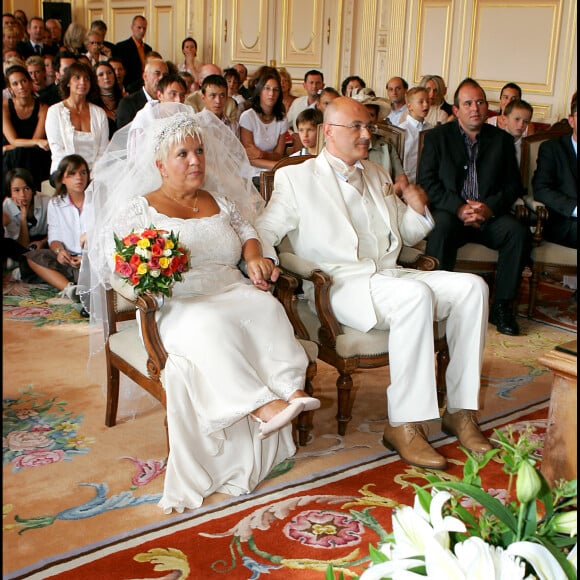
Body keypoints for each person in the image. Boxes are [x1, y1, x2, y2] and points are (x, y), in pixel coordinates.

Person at [85, 107, 319, 513]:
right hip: (177, 301)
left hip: (227, 287)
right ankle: (262, 405)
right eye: (183, 155)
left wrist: (252, 259)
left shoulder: (220, 200)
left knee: (264, 307)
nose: (195, 161)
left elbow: (249, 233)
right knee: (211, 322)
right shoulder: (138, 210)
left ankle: (291, 389)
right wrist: (145, 279)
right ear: (159, 165)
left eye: (199, 152)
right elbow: (117, 265)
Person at [256, 96, 491, 470]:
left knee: (473, 288)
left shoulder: (378, 174)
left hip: (389, 274)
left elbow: (403, 236)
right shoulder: (295, 178)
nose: (368, 134)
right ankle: (405, 425)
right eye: (358, 127)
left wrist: (416, 208)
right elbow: (265, 230)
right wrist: (261, 259)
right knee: (415, 295)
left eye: (369, 127)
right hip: (343, 285)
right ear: (328, 132)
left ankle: (461, 411)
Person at [417, 77, 530, 336]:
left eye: (480, 102)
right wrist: (458, 208)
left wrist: (488, 208)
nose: (475, 108)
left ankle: (502, 307)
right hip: (452, 214)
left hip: (489, 215)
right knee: (441, 228)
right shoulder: (437, 138)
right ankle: (435, 303)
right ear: (456, 110)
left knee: (517, 232)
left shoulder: (500, 140)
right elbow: (427, 182)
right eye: (468, 103)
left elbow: (513, 186)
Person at [25, 154, 90, 303]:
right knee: (33, 257)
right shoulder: (55, 203)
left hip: (91, 259)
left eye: (83, 172)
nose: (79, 177)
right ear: (62, 179)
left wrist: (86, 258)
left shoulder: (96, 199)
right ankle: (70, 289)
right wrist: (59, 251)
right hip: (68, 259)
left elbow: (104, 235)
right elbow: (54, 238)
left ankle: (83, 287)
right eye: (72, 174)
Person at [45, 61, 109, 178]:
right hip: (63, 170)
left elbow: (102, 150)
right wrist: (77, 175)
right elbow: (58, 150)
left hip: (95, 172)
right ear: (68, 82)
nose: (82, 82)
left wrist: (91, 175)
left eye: (86, 79)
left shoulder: (99, 113)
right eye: (77, 78)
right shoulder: (54, 111)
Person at [531, 95, 577, 249]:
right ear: (571, 120)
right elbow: (541, 189)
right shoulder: (552, 148)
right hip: (565, 223)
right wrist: (574, 209)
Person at [2, 65, 51, 190]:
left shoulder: (43, 108)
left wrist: (8, 147)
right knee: (16, 153)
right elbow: (13, 139)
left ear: (30, 82)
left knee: (27, 153)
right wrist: (35, 142)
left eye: (23, 81)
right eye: (15, 83)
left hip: (32, 156)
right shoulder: (5, 107)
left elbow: (36, 141)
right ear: (10, 88)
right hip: (10, 159)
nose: (21, 86)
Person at [239, 67, 288, 187]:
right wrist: (275, 165)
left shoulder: (282, 118)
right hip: (250, 175)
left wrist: (261, 154)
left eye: (276, 90)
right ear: (260, 90)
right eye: (267, 88)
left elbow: (279, 155)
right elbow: (249, 158)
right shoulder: (248, 116)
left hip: (274, 173)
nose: (271, 93)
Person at [350, 88, 407, 190]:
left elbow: (401, 180)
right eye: (363, 114)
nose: (367, 119)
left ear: (376, 119)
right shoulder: (344, 144)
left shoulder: (385, 144)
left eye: (371, 115)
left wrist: (384, 195)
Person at [126, 73, 187, 159]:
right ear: (159, 95)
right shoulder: (144, 118)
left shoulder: (185, 116)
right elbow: (136, 155)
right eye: (173, 94)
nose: (179, 100)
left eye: (182, 95)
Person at [3, 167, 49, 279]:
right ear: (10, 192)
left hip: (46, 240)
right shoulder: (7, 206)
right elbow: (21, 245)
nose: (22, 195)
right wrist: (23, 217)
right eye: (16, 190)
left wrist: (43, 242)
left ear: (32, 189)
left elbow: (58, 231)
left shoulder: (46, 201)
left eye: (26, 189)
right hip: (23, 245)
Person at [116, 58, 168, 128]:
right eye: (157, 73)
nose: (161, 78)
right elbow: (124, 135)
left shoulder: (169, 102)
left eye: (165, 75)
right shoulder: (128, 103)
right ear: (145, 76)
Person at [399, 86, 433, 183]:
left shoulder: (431, 129)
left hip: (426, 181)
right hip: (408, 182)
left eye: (428, 101)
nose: (426, 105)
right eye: (421, 102)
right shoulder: (402, 130)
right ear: (409, 106)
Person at [112, 15, 152, 91]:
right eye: (139, 27)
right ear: (132, 27)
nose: (142, 31)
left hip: (145, 86)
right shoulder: (121, 47)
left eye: (144, 28)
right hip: (129, 87)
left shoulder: (148, 48)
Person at [94, 60, 124, 139]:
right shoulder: (93, 105)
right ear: (95, 79)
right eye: (101, 74)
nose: (106, 77)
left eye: (109, 73)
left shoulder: (125, 99)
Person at [501, 99, 534, 166]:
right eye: (517, 119)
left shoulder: (528, 146)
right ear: (505, 119)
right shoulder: (493, 142)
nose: (521, 124)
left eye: (526, 121)